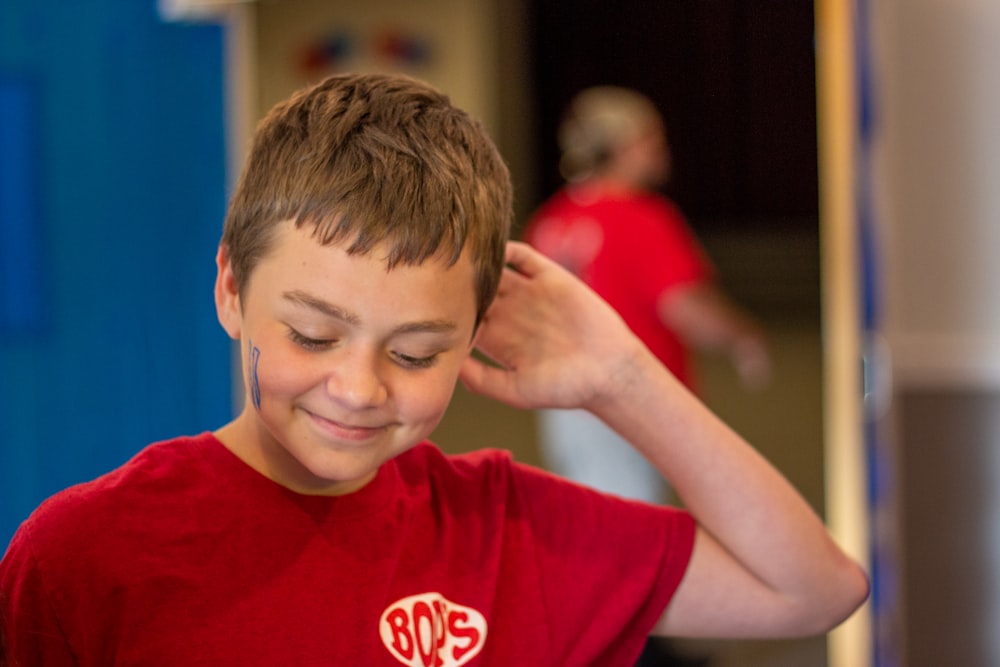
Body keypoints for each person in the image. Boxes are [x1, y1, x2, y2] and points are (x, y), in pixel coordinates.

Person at [0, 72, 867, 666]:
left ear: (473, 334)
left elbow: (815, 588)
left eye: (415, 353)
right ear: (230, 287)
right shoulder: (86, 555)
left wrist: (621, 378)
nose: (359, 388)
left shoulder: (509, 532)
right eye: (312, 334)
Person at [525, 86, 772, 508]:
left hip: (563, 400)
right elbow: (684, 307)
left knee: (589, 515)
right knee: (631, 531)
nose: (662, 149)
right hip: (631, 399)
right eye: (651, 139)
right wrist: (743, 335)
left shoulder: (552, 218)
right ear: (620, 147)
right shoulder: (641, 217)